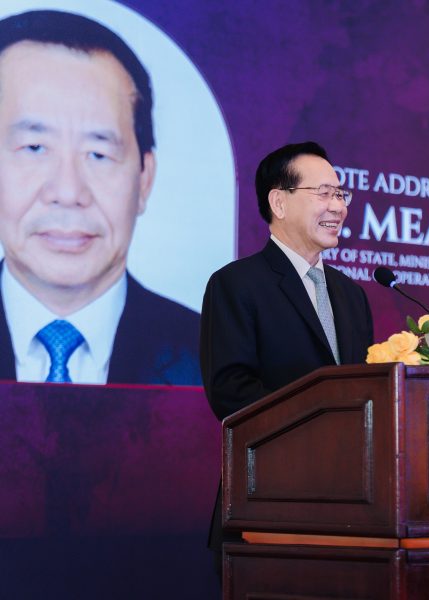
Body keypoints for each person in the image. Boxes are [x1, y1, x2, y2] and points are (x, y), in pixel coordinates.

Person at [0, 10, 201, 385]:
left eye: (98, 154)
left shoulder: (216, 361)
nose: (68, 192)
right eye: (34, 147)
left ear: (144, 178)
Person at [200, 141, 373, 575]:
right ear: (279, 202)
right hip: (270, 505)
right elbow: (231, 391)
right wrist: (322, 427)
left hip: (351, 511)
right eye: (324, 193)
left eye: (341, 195)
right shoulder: (237, 284)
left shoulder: (352, 295)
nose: (338, 207)